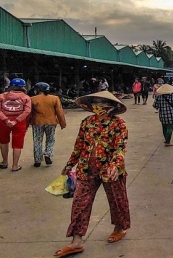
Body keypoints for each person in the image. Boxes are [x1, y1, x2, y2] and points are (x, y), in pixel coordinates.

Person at [55, 91, 129, 257]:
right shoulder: (87, 122)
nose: (99, 106)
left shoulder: (119, 124)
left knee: (117, 201)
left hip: (110, 171)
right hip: (86, 169)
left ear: (113, 106)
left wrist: (115, 166)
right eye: (95, 102)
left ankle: (120, 227)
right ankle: (76, 241)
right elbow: (79, 146)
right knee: (80, 204)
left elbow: (120, 148)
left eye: (102, 103)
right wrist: (69, 165)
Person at [0, 78, 32, 171]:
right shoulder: (26, 97)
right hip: (20, 122)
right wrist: (16, 121)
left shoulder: (1, 96)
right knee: (17, 144)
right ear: (23, 87)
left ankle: (4, 162)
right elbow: (27, 111)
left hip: (3, 122)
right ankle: (15, 166)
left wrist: (6, 119)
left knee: (3, 141)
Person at [30, 82, 67, 167]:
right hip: (51, 122)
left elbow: (29, 113)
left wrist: (26, 124)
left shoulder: (32, 99)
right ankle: (48, 153)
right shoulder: (54, 98)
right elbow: (59, 112)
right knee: (50, 139)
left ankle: (37, 161)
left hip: (37, 122)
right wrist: (62, 123)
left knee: (37, 141)